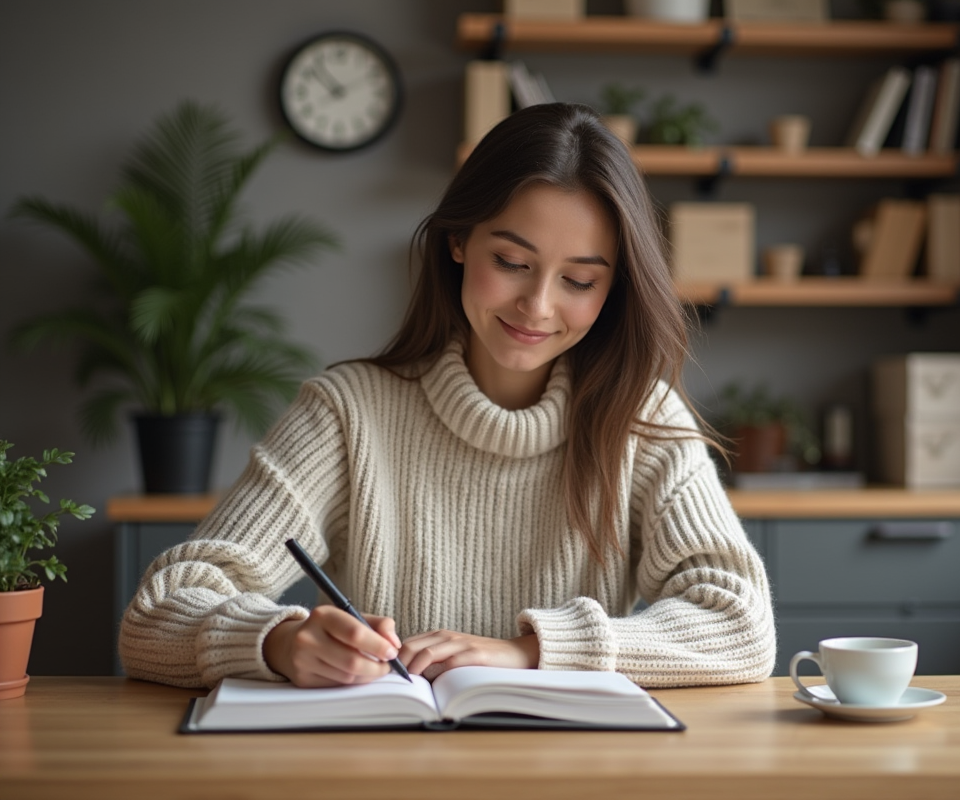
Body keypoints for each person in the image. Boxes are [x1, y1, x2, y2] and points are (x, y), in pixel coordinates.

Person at [119, 102, 776, 690]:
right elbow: (156, 614)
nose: (537, 305)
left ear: (613, 290)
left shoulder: (642, 418)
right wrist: (279, 642)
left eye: (579, 280)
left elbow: (742, 626)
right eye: (511, 263)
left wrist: (530, 652)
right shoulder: (347, 414)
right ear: (458, 240)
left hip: (570, 769)